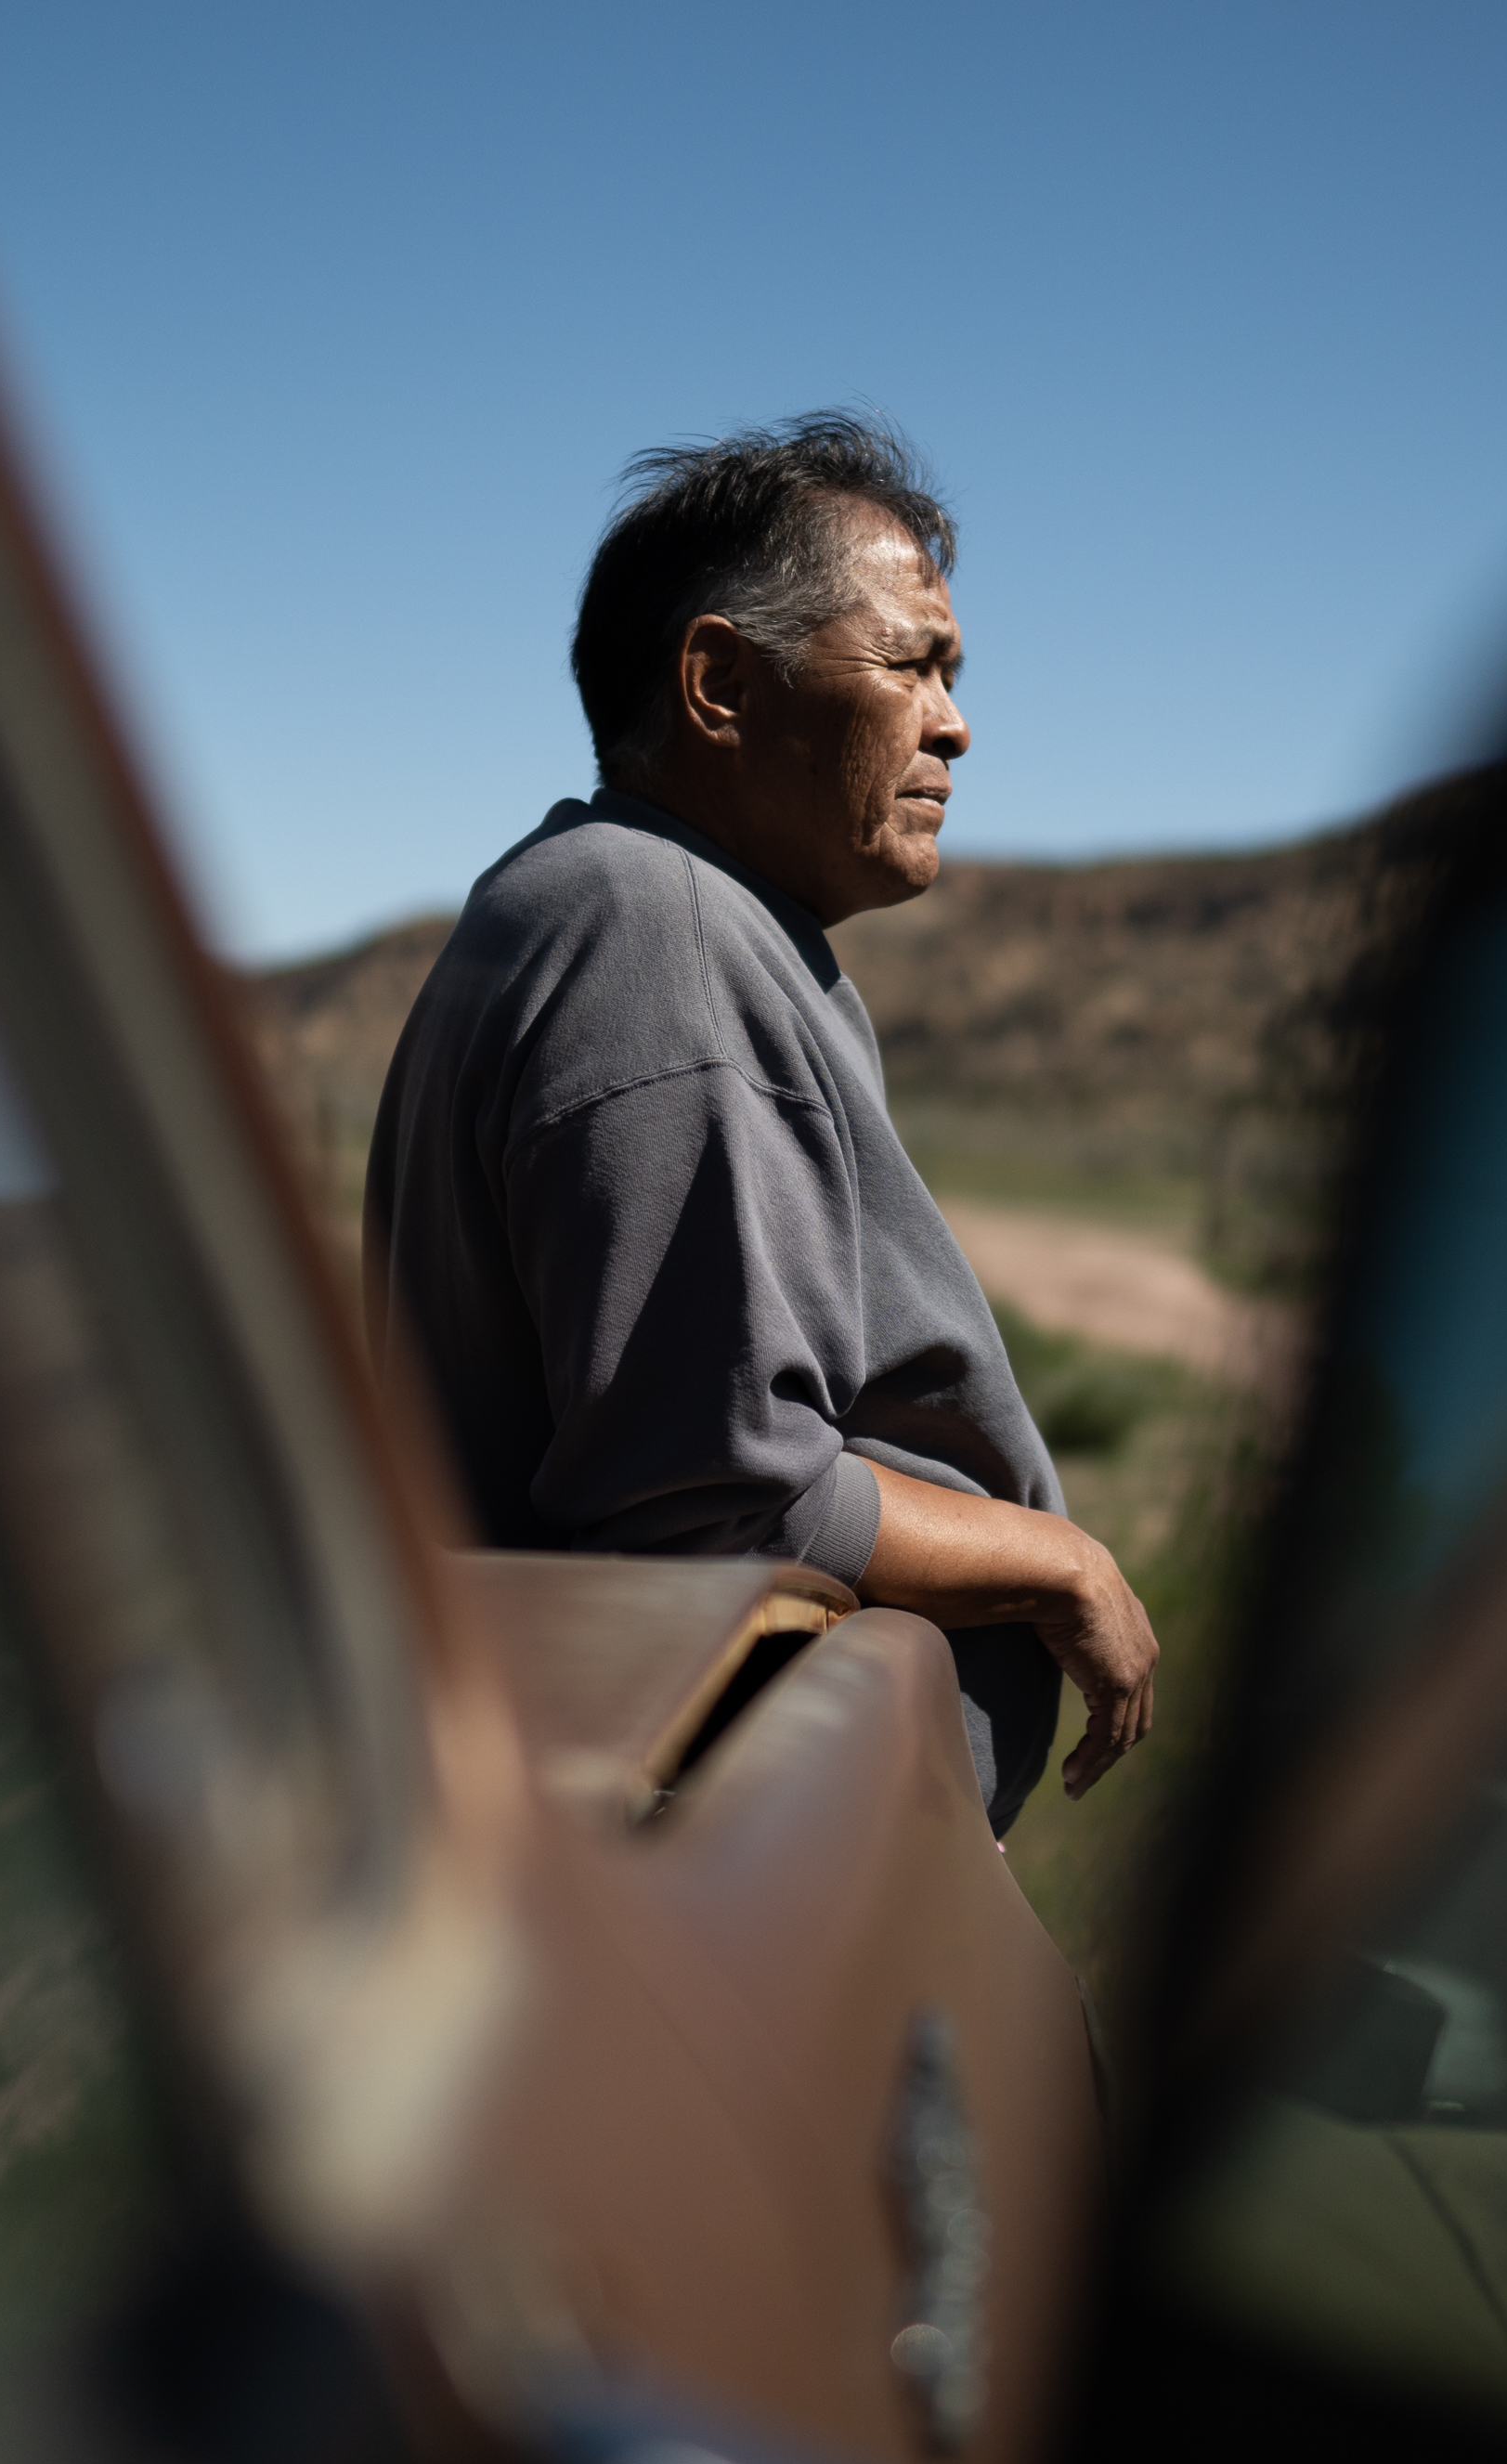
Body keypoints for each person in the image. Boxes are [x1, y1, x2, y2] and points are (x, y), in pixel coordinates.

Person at [364, 412, 1161, 1833]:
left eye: (955, 672)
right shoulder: (654, 935)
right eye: (911, 662)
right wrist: (1059, 1561)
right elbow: (720, 1509)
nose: (956, 720)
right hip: (747, 1875)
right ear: (720, 683)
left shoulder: (599, 906)